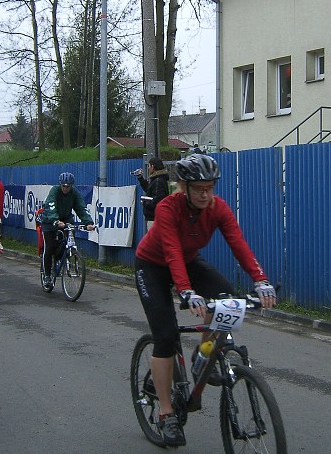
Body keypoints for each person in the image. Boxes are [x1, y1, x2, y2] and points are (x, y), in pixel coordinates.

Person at [134, 153, 276, 447]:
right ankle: (167, 413)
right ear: (183, 186)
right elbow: (171, 250)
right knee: (166, 336)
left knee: (228, 301)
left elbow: (238, 243)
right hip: (152, 266)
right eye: (198, 187)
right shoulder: (168, 208)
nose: (205, 193)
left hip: (187, 261)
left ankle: (205, 353)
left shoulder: (217, 208)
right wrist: (186, 291)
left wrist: (260, 280)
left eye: (210, 187)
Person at [36, 172, 95, 290]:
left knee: (69, 239)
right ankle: (47, 275)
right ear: (60, 184)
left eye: (68, 186)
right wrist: (56, 221)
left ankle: (63, 256)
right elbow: (51, 206)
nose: (65, 188)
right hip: (49, 220)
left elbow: (81, 208)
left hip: (66, 219)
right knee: (50, 246)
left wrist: (88, 223)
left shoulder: (75, 194)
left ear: (71, 186)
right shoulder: (55, 191)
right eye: (63, 186)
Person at [133, 157, 169, 231]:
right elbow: (149, 189)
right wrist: (140, 177)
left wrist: (145, 203)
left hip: (155, 218)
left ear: (153, 166)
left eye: (149, 166)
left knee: (155, 242)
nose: (148, 168)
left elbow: (158, 200)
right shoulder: (157, 179)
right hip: (154, 218)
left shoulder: (158, 180)